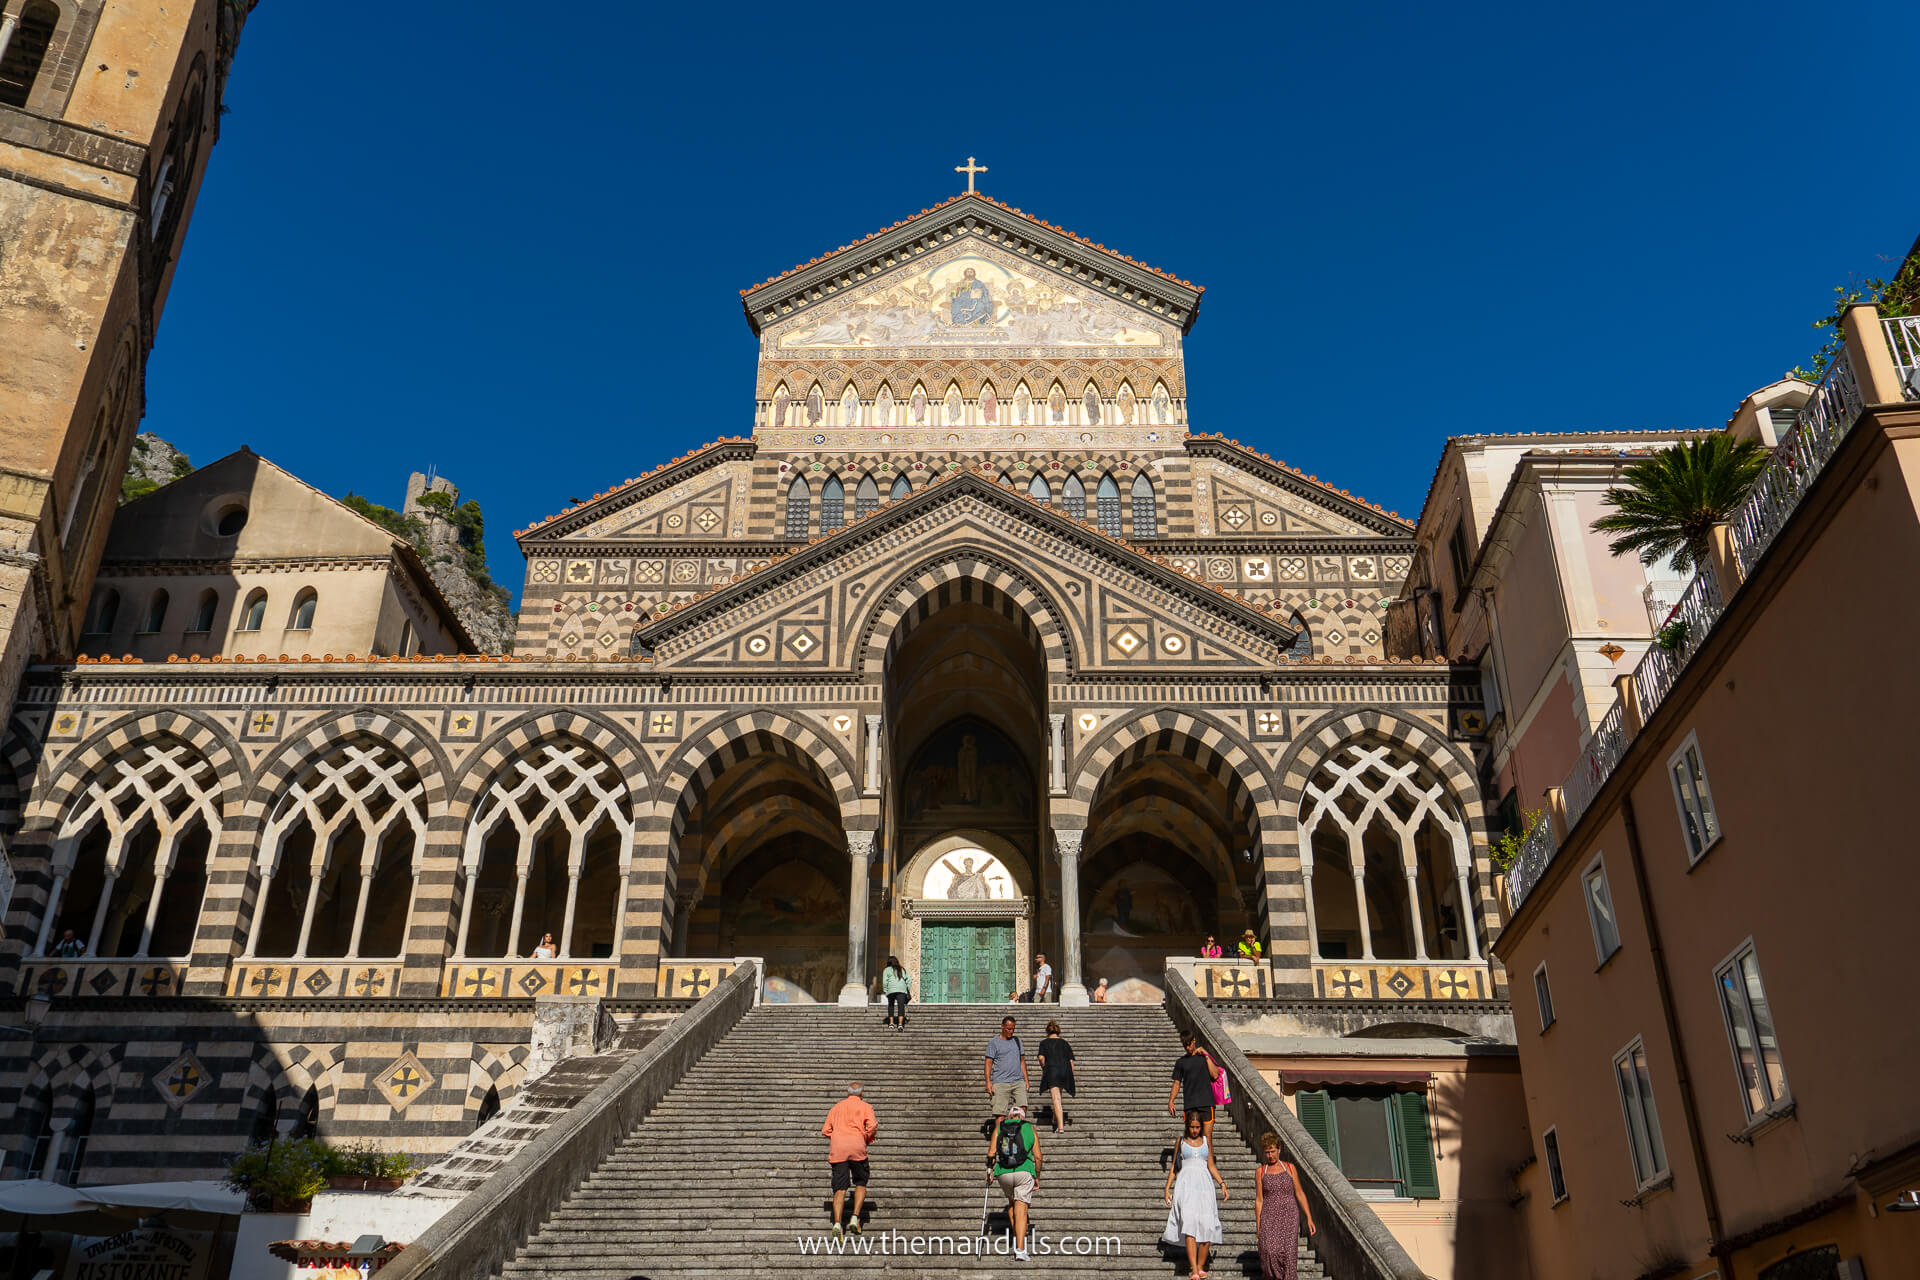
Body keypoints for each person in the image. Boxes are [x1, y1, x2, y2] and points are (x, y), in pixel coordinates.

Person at [1163, 1108, 1228, 1278]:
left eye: (1198, 1127)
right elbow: (1174, 1167)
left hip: (1205, 1187)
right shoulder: (1181, 1142)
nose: (1195, 1130)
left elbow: (1211, 1165)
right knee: (1190, 1225)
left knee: (1207, 1225)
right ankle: (1193, 1269)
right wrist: (1167, 1188)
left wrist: (1222, 1183)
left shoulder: (1207, 1141)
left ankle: (1200, 1266)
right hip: (1186, 1186)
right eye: (1192, 1127)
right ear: (1187, 1126)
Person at [1254, 1131, 1316, 1280]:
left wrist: (1309, 1217)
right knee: (1269, 1251)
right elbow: (1259, 1200)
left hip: (1289, 1214)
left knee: (1289, 1254)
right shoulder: (1260, 1171)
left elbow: (1300, 1193)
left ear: (1279, 1150)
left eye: (1273, 1151)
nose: (1270, 1155)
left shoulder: (1290, 1168)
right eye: (1267, 1152)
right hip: (1269, 1215)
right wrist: (1258, 1224)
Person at [820, 1081, 878, 1238]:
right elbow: (872, 1126)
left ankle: (838, 1223)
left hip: (838, 1149)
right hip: (857, 1147)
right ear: (862, 1094)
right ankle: (855, 1217)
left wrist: (839, 1136)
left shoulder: (836, 1107)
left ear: (847, 1094)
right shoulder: (866, 1107)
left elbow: (826, 1130)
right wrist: (865, 1137)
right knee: (860, 1182)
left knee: (839, 1189)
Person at [986, 1104, 1042, 1261]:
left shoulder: (1000, 1127)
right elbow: (1038, 1157)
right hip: (1024, 1171)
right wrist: (1036, 1175)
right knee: (1021, 1209)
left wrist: (989, 1170)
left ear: (1009, 1116)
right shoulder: (1029, 1128)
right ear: (1022, 1117)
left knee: (1012, 1203)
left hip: (1003, 1173)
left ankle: (1017, 1237)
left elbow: (991, 1153)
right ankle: (1020, 1249)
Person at [1169, 1031, 1221, 1140]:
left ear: (1194, 1041)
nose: (1187, 1048)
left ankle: (1209, 1158)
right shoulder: (1181, 1062)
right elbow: (1177, 1082)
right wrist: (1171, 1101)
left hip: (1206, 1103)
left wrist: (1206, 1055)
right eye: (1185, 1045)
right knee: (1191, 1139)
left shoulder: (1204, 1058)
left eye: (1189, 1044)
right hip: (1190, 1105)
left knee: (1207, 1138)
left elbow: (1215, 1075)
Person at [984, 1016, 1029, 1116]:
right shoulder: (994, 1042)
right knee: (1000, 1114)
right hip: (1000, 1082)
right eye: (1009, 1028)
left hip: (1018, 1081)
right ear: (1002, 1027)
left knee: (1022, 1109)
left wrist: (1026, 1079)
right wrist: (988, 1082)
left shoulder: (1018, 1041)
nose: (1011, 1031)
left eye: (1013, 1029)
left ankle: (1013, 1130)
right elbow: (988, 1062)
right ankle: (1002, 1131)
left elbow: (1022, 1061)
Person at [1038, 1020, 1076, 1132]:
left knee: (1056, 1099)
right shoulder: (1065, 1043)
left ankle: (1060, 1127)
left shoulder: (1044, 1043)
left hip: (1052, 1070)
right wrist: (1070, 1074)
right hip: (1065, 1071)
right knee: (1059, 1096)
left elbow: (1041, 1058)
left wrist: (1044, 1066)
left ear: (1047, 1031)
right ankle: (1055, 1118)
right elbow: (1071, 1061)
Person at [881, 956, 911, 1030]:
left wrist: (885, 990)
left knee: (891, 1005)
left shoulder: (887, 970)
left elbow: (885, 981)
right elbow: (909, 980)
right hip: (901, 990)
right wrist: (907, 989)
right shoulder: (902, 969)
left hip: (891, 990)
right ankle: (900, 1024)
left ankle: (891, 1023)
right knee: (901, 1007)